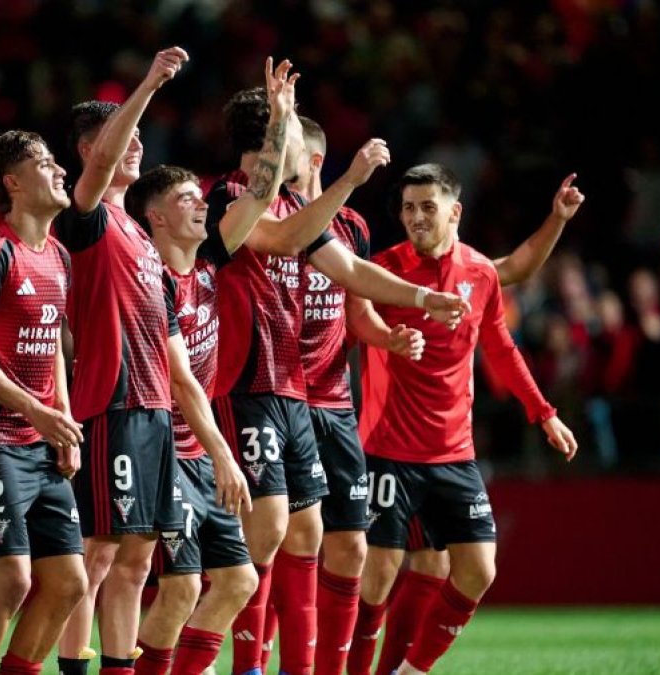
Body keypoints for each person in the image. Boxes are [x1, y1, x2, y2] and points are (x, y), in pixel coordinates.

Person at [207, 91, 466, 675]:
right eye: (292, 134)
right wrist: (346, 178)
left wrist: (423, 298)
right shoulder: (226, 197)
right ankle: (238, 661)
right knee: (270, 527)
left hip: (297, 391)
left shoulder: (307, 209)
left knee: (308, 534)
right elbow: (278, 239)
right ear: (276, 140)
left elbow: (348, 270)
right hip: (245, 385)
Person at [348, 171, 587, 675]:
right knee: (379, 575)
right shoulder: (385, 269)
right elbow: (357, 316)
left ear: (455, 212)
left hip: (454, 453)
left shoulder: (479, 273)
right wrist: (388, 338)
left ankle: (410, 672)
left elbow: (500, 346)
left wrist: (544, 413)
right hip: (390, 447)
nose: (415, 217)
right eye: (409, 207)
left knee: (477, 570)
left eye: (427, 207)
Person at [122, 56, 300, 675]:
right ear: (158, 217)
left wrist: (278, 119)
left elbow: (262, 192)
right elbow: (179, 379)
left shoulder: (208, 263)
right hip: (159, 450)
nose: (204, 205)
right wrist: (224, 452)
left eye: (201, 197)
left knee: (238, 582)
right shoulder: (150, 283)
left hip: (197, 451)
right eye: (188, 199)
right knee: (180, 587)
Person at [0, 129, 89, 675]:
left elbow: (51, 341)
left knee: (70, 583)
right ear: (13, 183)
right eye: (46, 163)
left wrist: (65, 422)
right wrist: (35, 409)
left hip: (42, 439)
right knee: (12, 580)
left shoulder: (57, 256)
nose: (60, 170)